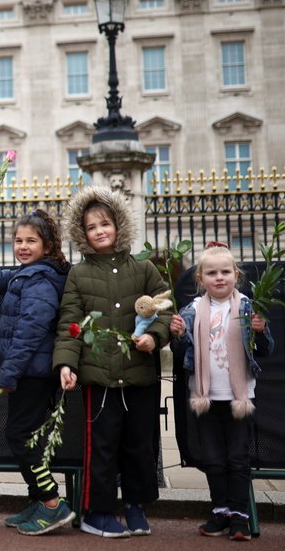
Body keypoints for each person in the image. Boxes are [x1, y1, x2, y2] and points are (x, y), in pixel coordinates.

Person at [53, 186, 171, 538]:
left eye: (105, 223)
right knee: (101, 447)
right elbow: (70, 323)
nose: (100, 231)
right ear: (82, 234)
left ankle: (136, 506)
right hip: (99, 376)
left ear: (119, 225)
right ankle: (97, 511)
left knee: (139, 445)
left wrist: (155, 336)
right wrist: (66, 364)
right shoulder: (78, 274)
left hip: (139, 375)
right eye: (91, 227)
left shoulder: (144, 268)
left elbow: (166, 308)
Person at [0, 210, 75, 535]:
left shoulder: (40, 281)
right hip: (28, 371)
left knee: (18, 435)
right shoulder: (26, 274)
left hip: (33, 373)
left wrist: (9, 374)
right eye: (18, 240)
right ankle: (38, 500)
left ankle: (50, 501)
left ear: (48, 246)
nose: (23, 246)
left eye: (31, 240)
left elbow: (31, 331)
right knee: (22, 435)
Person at [170, 243, 274, 542]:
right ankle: (221, 510)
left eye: (225, 272)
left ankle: (240, 515)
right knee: (213, 458)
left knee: (238, 458)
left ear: (236, 275)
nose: (219, 278)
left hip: (239, 397)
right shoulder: (190, 311)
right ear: (200, 279)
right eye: (212, 273)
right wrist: (177, 336)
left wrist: (259, 331)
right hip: (205, 396)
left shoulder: (248, 308)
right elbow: (182, 357)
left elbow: (267, 350)